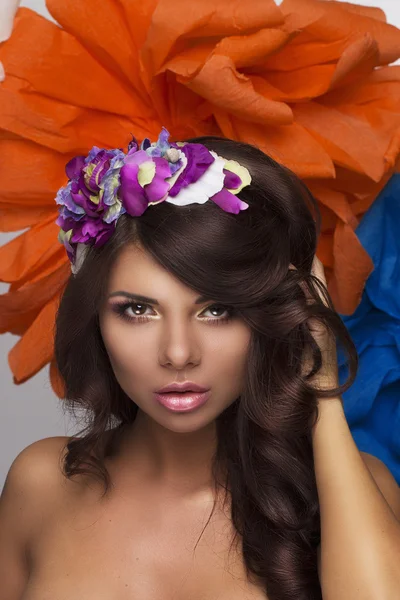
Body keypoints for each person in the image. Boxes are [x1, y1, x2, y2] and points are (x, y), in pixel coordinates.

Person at [1, 129, 399, 600]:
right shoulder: (41, 483)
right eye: (138, 310)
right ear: (96, 320)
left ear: (267, 316)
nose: (178, 353)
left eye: (216, 310)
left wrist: (320, 386)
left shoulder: (353, 492)